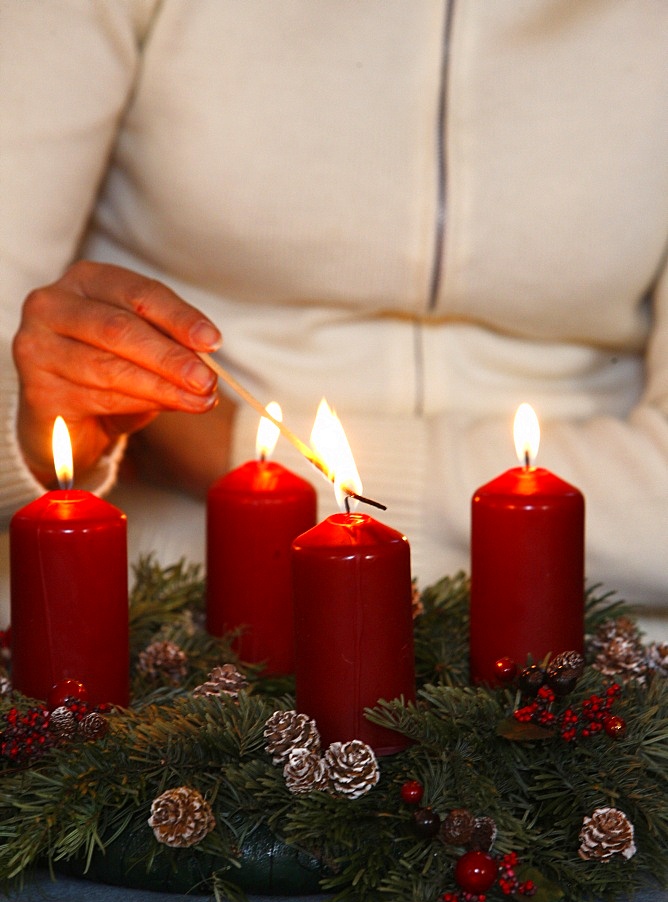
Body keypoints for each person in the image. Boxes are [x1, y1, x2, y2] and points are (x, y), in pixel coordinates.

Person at [1, 1, 667, 634]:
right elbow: (19, 354)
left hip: (604, 655)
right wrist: (35, 433)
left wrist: (234, 452)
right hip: (168, 635)